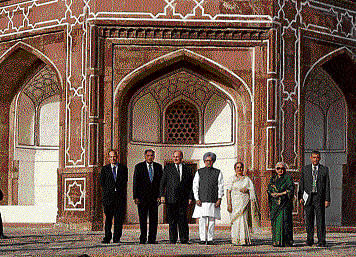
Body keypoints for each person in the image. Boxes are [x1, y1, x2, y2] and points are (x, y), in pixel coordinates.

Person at [160, 150, 193, 244]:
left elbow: (190, 185)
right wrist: (162, 195)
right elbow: (162, 183)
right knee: (172, 220)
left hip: (183, 199)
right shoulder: (168, 168)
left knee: (183, 219)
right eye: (174, 156)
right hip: (171, 198)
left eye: (177, 157)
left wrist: (190, 197)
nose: (175, 158)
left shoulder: (188, 169)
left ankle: (184, 239)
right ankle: (173, 239)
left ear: (181, 158)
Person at [298, 150, 330, 247]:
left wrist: (327, 199)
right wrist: (300, 197)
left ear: (319, 158)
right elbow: (301, 184)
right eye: (314, 157)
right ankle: (310, 239)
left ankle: (321, 240)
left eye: (317, 157)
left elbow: (327, 185)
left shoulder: (324, 169)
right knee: (309, 220)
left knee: (320, 220)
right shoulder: (305, 169)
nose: (315, 159)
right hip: (308, 197)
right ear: (311, 158)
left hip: (319, 197)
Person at [192, 152, 224, 245]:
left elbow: (220, 186)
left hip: (213, 200)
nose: (208, 162)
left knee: (211, 220)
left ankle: (210, 239)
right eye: (206, 161)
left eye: (209, 161)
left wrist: (219, 199)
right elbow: (195, 186)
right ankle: (202, 238)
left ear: (213, 161)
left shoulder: (218, 172)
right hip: (201, 200)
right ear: (204, 161)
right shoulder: (199, 172)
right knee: (202, 220)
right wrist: (197, 198)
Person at [226, 162, 260, 245]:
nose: (239, 169)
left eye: (241, 167)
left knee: (243, 220)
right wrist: (229, 203)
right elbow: (228, 191)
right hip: (235, 203)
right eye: (237, 167)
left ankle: (243, 239)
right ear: (235, 169)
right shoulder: (231, 179)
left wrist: (247, 190)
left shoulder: (247, 179)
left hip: (244, 202)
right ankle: (235, 239)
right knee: (235, 220)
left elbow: (252, 190)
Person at [133, 149, 163, 244]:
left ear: (154, 157)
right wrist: (135, 196)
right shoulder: (139, 167)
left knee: (154, 220)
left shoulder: (158, 167)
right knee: (142, 219)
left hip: (154, 198)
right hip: (142, 198)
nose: (150, 157)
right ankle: (143, 238)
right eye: (148, 155)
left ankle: (152, 239)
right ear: (145, 156)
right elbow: (135, 182)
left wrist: (160, 196)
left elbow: (161, 183)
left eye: (152, 155)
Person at [100, 149, 128, 244]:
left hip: (119, 198)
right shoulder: (104, 169)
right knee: (108, 219)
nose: (113, 158)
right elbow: (102, 184)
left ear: (117, 157)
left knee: (118, 219)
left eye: (114, 156)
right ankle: (107, 237)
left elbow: (125, 183)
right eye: (111, 157)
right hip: (108, 199)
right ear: (109, 158)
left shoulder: (123, 168)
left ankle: (117, 237)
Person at [267, 162, 294, 247]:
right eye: (278, 168)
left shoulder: (288, 178)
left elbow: (290, 189)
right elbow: (269, 189)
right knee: (275, 222)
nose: (280, 170)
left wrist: (280, 194)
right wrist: (271, 194)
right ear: (276, 169)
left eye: (282, 168)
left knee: (284, 222)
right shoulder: (273, 178)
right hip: (275, 204)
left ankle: (285, 241)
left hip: (284, 204)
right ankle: (276, 241)